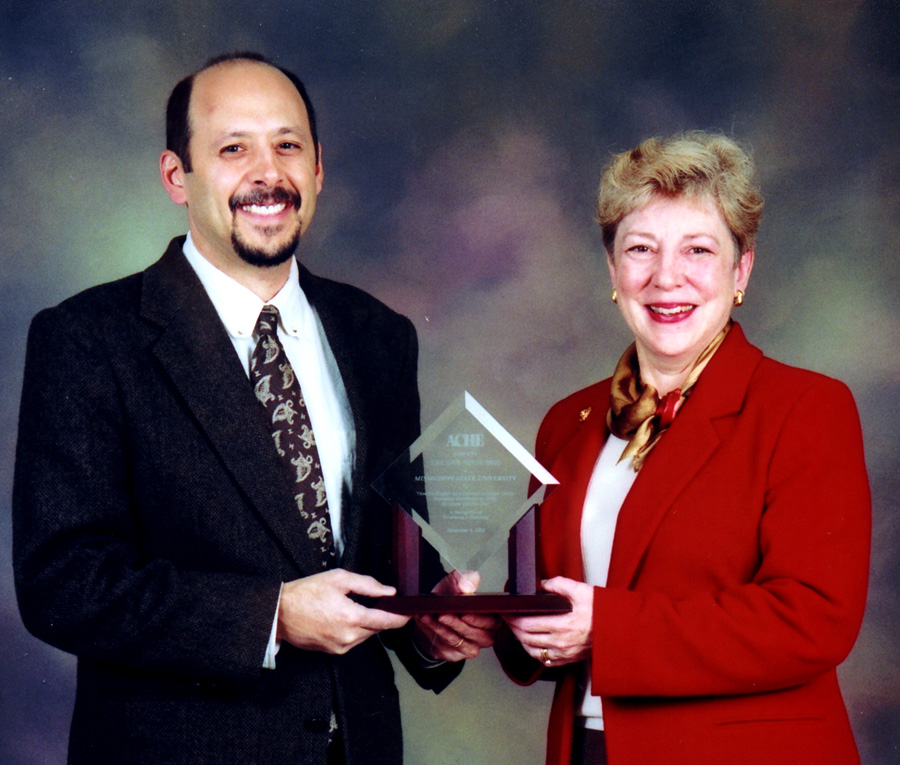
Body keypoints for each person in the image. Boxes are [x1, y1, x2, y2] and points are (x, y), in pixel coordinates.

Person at [13, 52, 495, 765]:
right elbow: (64, 582)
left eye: (287, 145)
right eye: (233, 148)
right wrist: (271, 616)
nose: (267, 174)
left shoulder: (378, 336)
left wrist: (428, 624)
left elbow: (386, 554)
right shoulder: (91, 338)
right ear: (178, 176)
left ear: (319, 167)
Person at [496, 132, 870, 764]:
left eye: (698, 249)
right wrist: (493, 617)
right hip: (587, 748)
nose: (666, 278)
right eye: (640, 249)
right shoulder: (569, 421)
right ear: (613, 271)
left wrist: (605, 628)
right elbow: (557, 599)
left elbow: (812, 619)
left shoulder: (807, 409)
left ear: (741, 269)